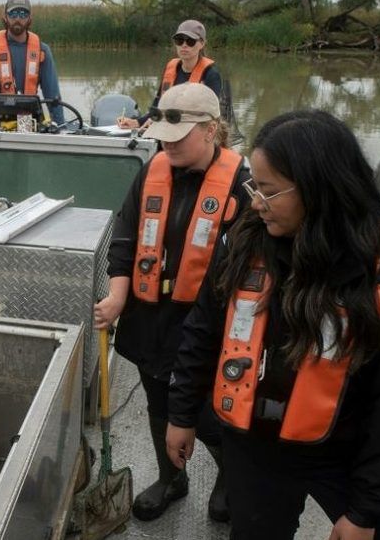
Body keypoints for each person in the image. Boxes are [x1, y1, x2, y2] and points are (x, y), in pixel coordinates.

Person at [165, 110, 380, 540]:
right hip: (255, 446)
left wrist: (364, 513)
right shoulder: (243, 243)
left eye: (269, 192)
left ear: (317, 190)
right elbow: (203, 328)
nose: (256, 203)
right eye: (256, 187)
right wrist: (180, 413)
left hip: (345, 447)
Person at [93, 82, 250, 523]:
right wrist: (119, 294)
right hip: (151, 318)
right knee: (159, 403)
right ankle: (172, 478)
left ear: (212, 130)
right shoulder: (153, 170)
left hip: (209, 329)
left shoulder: (243, 186)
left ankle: (227, 477)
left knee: (209, 416)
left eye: (178, 137)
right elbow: (124, 236)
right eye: (162, 134)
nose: (166, 143)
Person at [117, 19, 223, 129]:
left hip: (195, 133)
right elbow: (158, 106)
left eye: (190, 41)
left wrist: (162, 120)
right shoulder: (171, 69)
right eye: (179, 40)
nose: (184, 45)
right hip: (167, 128)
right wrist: (137, 123)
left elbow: (208, 116)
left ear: (202, 44)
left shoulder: (211, 75)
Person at [0, 0, 65, 129]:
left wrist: (61, 127)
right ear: (5, 17)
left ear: (30, 18)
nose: (18, 19)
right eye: (13, 14)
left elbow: (52, 94)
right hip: (0, 122)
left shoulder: (43, 50)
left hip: (31, 121)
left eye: (23, 14)